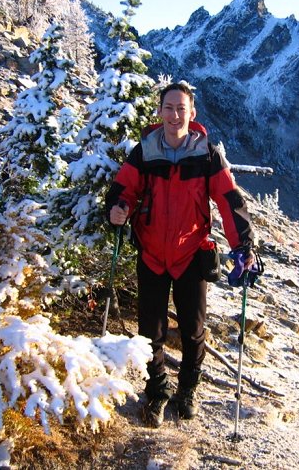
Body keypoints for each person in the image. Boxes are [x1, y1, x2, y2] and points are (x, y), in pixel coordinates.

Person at [105, 82, 255, 428]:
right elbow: (123, 188)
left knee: (193, 329)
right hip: (152, 253)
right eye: (168, 107)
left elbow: (229, 200)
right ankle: (156, 391)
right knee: (150, 332)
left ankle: (187, 390)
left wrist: (242, 244)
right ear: (159, 111)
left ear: (192, 113)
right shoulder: (144, 152)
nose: (174, 115)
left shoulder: (207, 154)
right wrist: (117, 208)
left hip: (192, 253)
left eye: (181, 108)